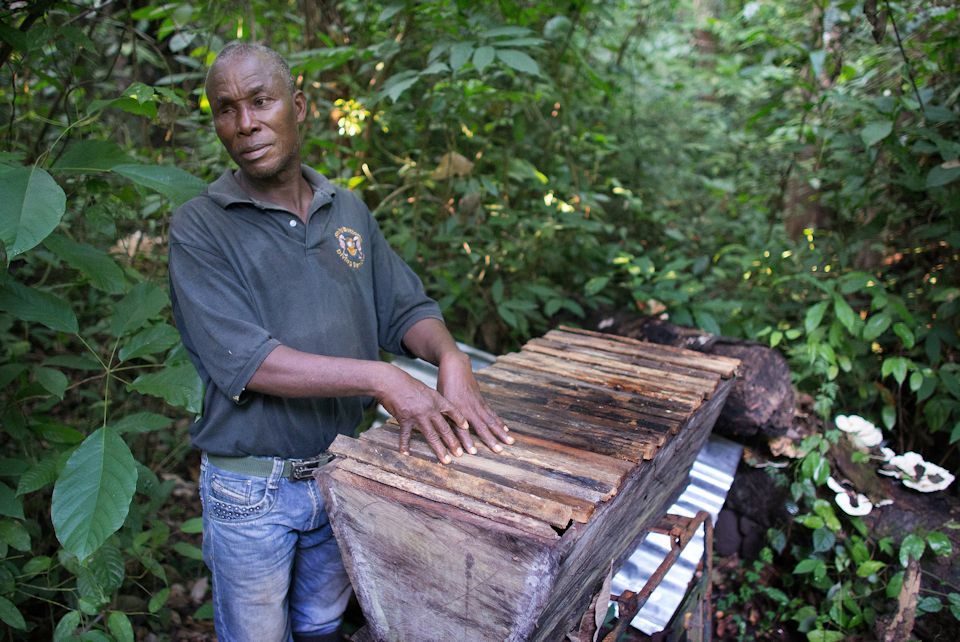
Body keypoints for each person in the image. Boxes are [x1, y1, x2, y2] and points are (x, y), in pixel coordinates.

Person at [168, 41, 512, 642]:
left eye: (260, 101)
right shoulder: (201, 226)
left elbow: (405, 311)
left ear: (298, 105)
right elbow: (251, 364)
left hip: (343, 471)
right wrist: (381, 377)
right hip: (253, 490)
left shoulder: (346, 209)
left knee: (322, 624)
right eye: (226, 108)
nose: (244, 123)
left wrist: (451, 356)